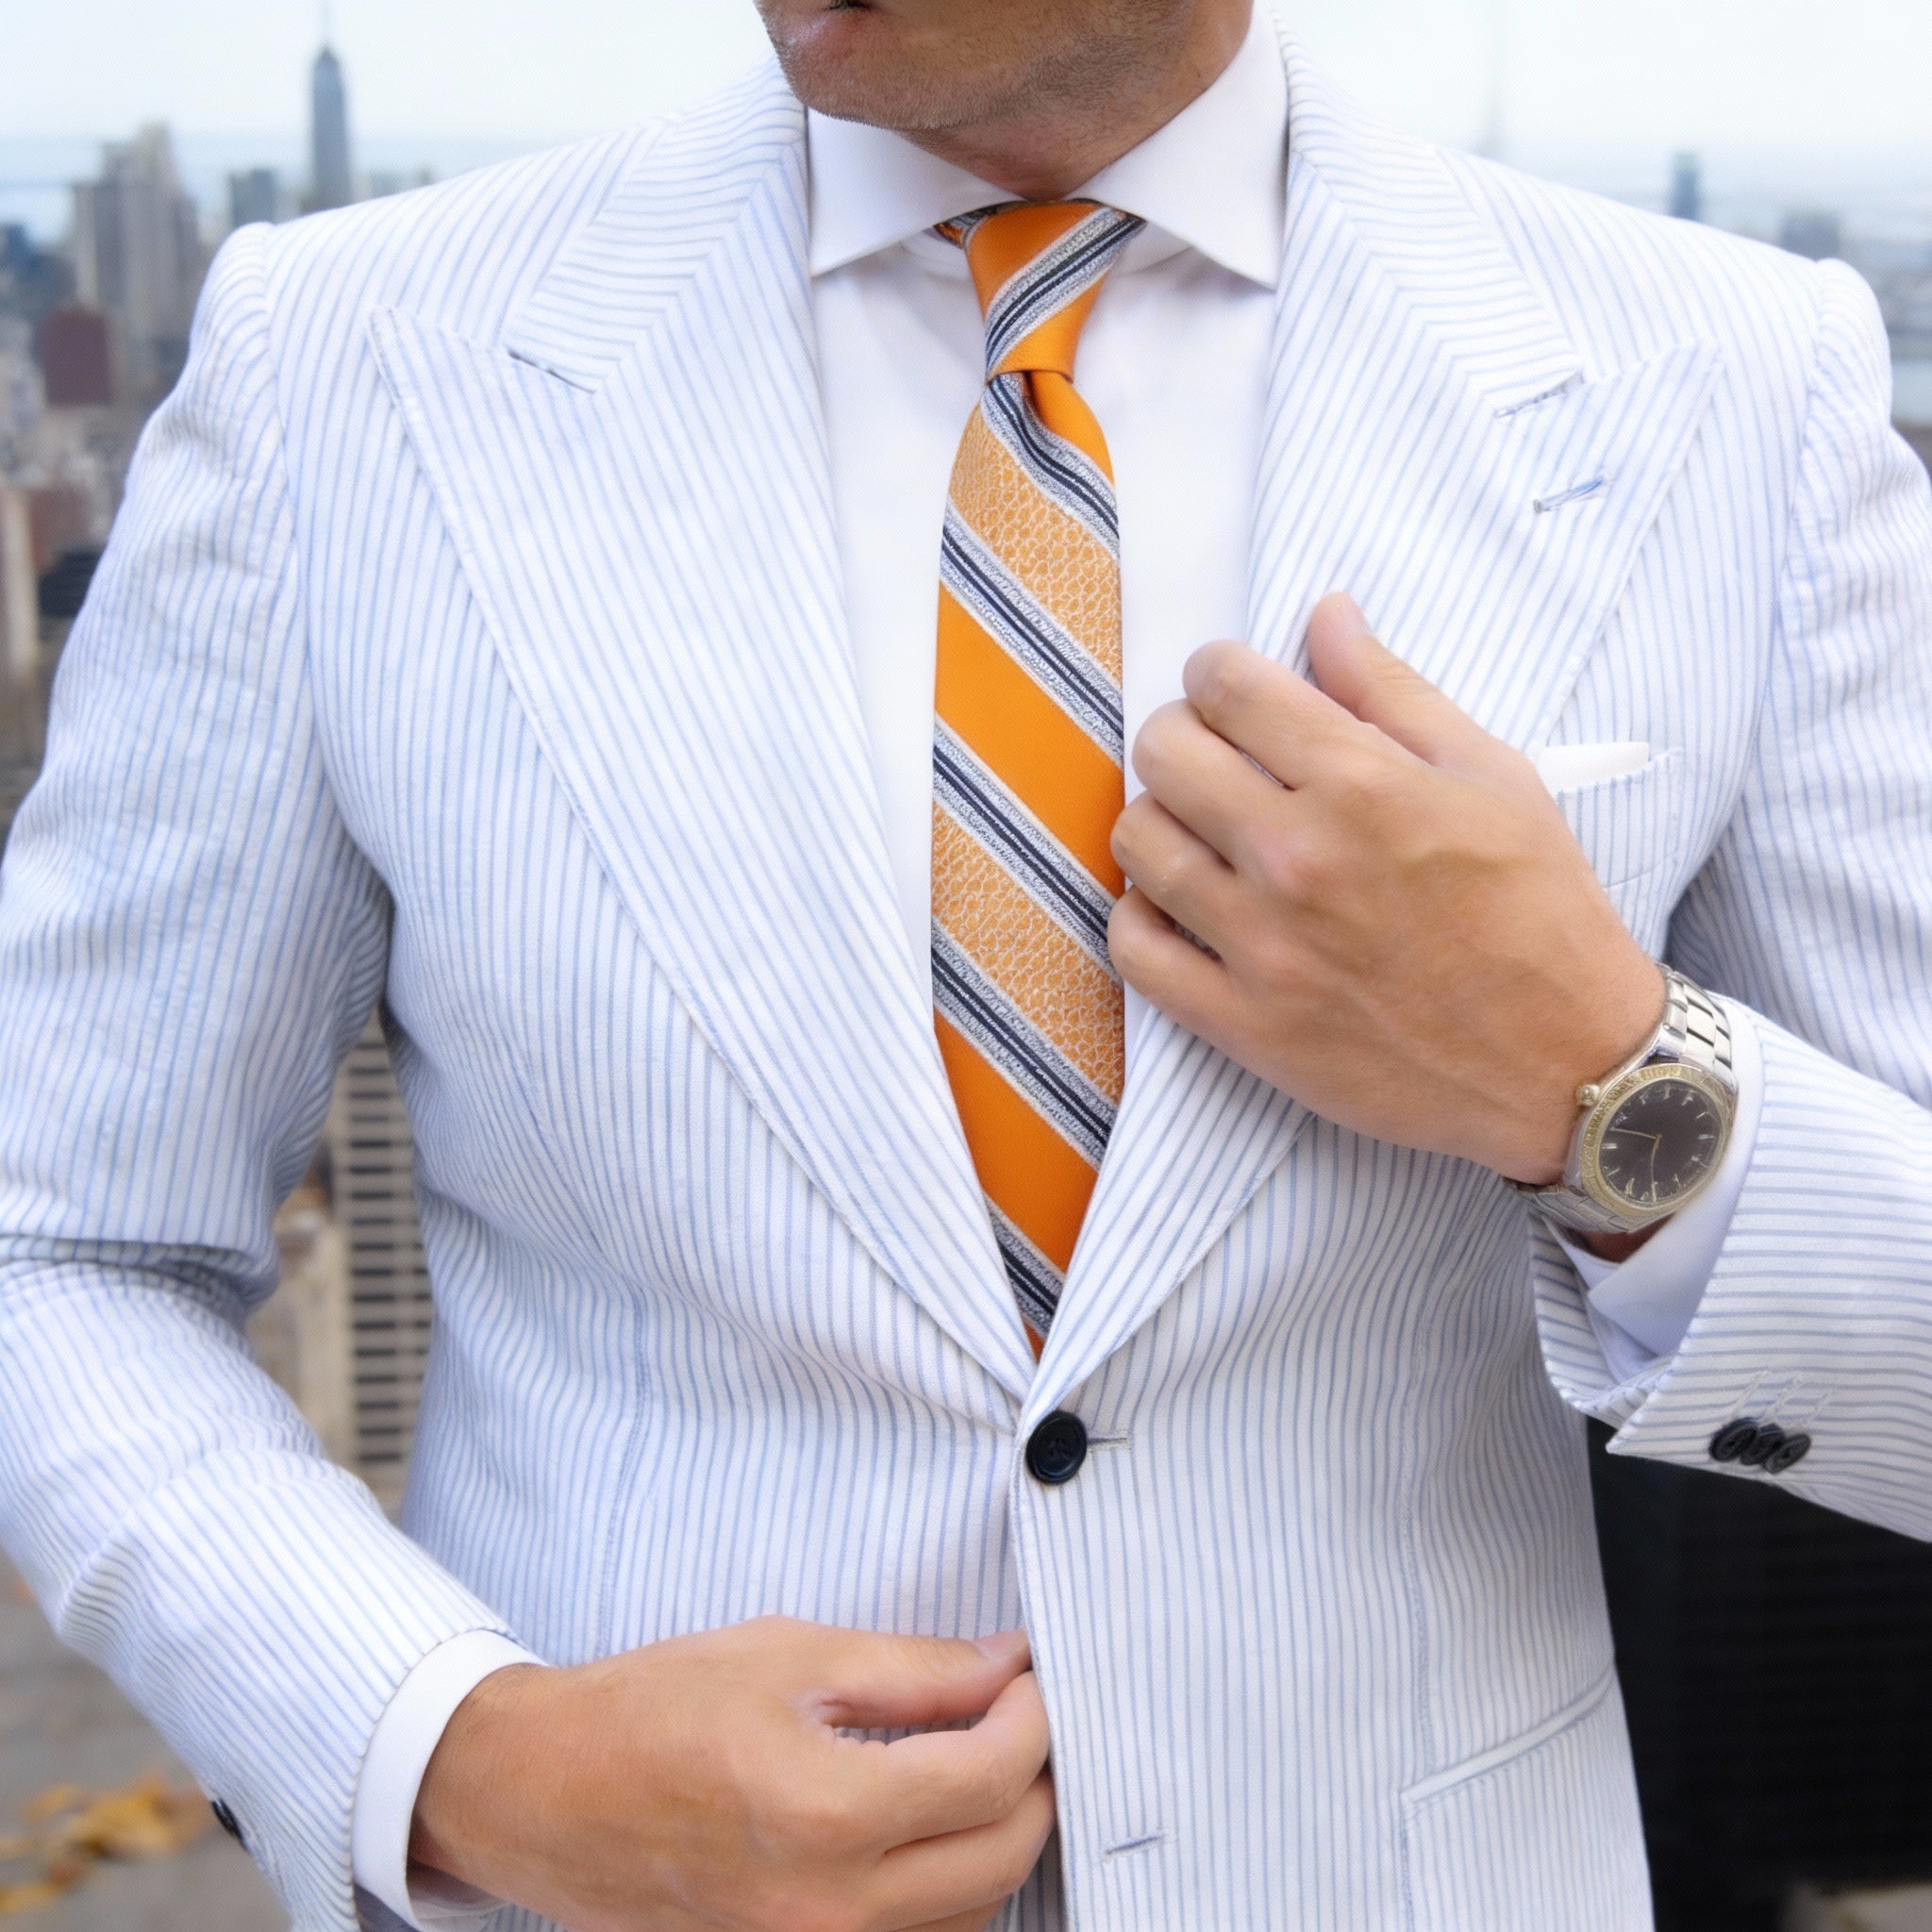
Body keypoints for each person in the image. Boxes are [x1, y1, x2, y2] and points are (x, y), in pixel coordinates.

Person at [2, 0, 1930, 1925]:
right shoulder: (337, 366)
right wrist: (453, 1751)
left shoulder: (1733, 389)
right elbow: (58, 1243)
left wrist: (1598, 1080)